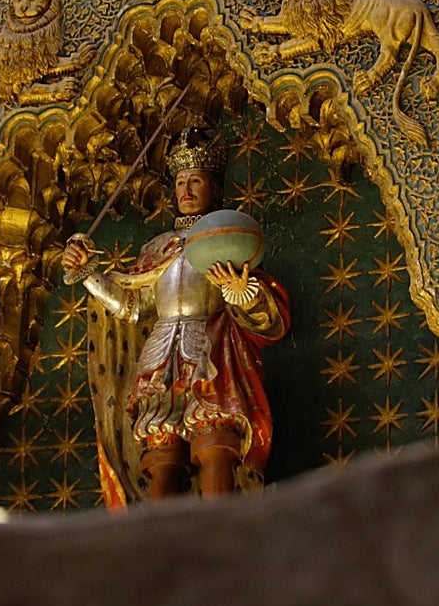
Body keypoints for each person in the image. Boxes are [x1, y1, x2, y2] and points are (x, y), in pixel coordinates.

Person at [61, 128, 290, 500]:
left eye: (195, 181)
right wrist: (89, 274)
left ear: (215, 189)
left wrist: (241, 293)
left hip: (212, 349)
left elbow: (264, 316)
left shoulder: (228, 239)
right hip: (162, 349)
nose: (185, 190)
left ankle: (220, 531)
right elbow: (134, 307)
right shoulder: (157, 247)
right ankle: (159, 543)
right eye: (180, 182)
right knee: (162, 450)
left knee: (215, 440)